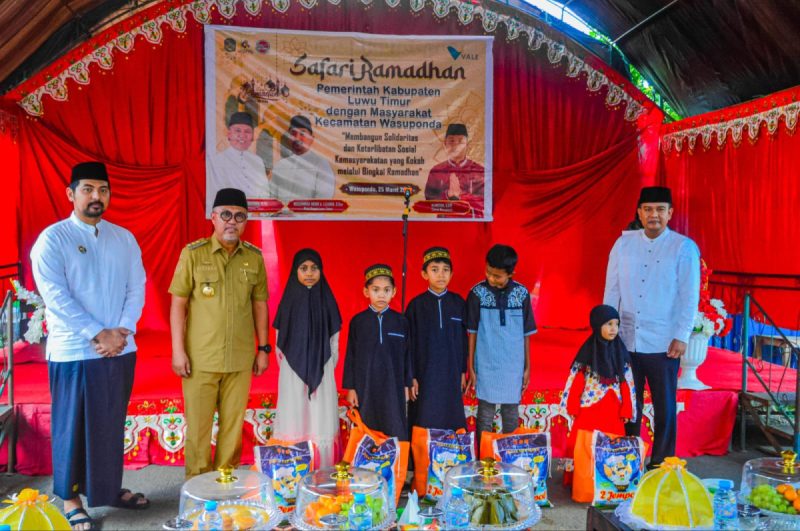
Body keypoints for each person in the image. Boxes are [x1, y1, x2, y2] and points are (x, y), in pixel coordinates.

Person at [30, 161, 148, 530]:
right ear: (71, 193)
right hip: (74, 351)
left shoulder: (123, 237)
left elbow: (137, 287)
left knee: (110, 424)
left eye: (103, 190)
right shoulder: (53, 239)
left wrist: (123, 331)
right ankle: (69, 497)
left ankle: (108, 490)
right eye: (88, 189)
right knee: (72, 425)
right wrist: (99, 333)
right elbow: (57, 298)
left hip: (119, 349)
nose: (97, 197)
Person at [169, 187, 270, 478]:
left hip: (239, 358)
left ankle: (225, 483)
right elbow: (178, 304)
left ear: (245, 221)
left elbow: (260, 305)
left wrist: (263, 348)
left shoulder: (254, 258)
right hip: (201, 358)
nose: (232, 221)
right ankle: (198, 488)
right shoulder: (193, 255)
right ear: (213, 218)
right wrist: (178, 350)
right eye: (225, 214)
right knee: (199, 428)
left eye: (239, 216)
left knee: (232, 427)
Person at [603, 185, 700, 468]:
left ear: (670, 213)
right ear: (639, 213)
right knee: (629, 402)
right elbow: (612, 290)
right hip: (627, 338)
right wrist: (607, 329)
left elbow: (689, 296)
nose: (653, 215)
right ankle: (630, 456)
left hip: (663, 341)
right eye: (647, 209)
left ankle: (661, 462)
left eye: (660, 209)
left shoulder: (683, 247)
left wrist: (682, 336)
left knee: (664, 404)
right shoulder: (623, 244)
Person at [272, 249, 342, 467]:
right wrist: (294, 368)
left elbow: (334, 341)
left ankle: (322, 468)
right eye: (304, 268)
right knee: (295, 415)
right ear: (296, 271)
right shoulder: (289, 300)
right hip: (293, 372)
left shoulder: (326, 300)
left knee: (321, 416)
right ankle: (292, 470)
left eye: (314, 268)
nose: (309, 273)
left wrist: (325, 367)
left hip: (323, 369)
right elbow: (279, 343)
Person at [466, 244, 535, 446]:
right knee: (485, 415)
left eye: (497, 276)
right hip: (486, 363)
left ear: (511, 273)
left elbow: (526, 333)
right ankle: (483, 457)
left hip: (513, 365)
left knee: (510, 414)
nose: (491, 278)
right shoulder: (476, 294)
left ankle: (508, 456)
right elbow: (472, 332)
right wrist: (471, 365)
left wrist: (527, 367)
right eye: (488, 272)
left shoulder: (522, 294)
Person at [560, 304, 636, 484]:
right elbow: (577, 381)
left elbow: (626, 383)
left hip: (612, 410)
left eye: (616, 324)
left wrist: (626, 409)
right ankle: (576, 478)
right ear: (597, 325)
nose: (613, 329)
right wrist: (572, 406)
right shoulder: (588, 351)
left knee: (611, 443)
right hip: (589, 408)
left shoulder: (620, 352)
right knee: (581, 443)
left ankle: (609, 480)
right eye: (609, 324)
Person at [342, 264, 414, 439]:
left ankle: (396, 464)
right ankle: (367, 464)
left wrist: (407, 384)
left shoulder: (401, 322)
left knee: (394, 423)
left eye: (386, 290)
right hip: (365, 385)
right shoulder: (358, 322)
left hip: (393, 386)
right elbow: (350, 356)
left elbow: (407, 355)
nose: (381, 294)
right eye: (376, 290)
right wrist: (351, 388)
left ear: (394, 292)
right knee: (366, 426)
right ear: (366, 292)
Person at [405, 247, 467, 430]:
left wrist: (463, 371)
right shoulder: (416, 306)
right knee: (424, 417)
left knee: (452, 416)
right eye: (434, 270)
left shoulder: (458, 303)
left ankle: (453, 456)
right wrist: (411, 377)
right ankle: (422, 458)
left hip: (451, 372)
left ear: (452, 273)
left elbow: (463, 341)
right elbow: (408, 345)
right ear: (424, 274)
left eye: (445, 270)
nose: (441, 275)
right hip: (425, 374)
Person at [208, 112, 270, 213]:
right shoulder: (217, 160)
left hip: (255, 214)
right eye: (237, 131)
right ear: (229, 134)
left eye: (247, 131)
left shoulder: (257, 161)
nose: (242, 135)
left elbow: (265, 192)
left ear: (252, 136)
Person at [423, 123, 485, 218]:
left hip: (473, 225)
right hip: (444, 225)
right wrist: (447, 195)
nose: (455, 145)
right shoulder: (436, 171)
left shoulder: (479, 171)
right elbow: (430, 203)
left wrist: (461, 196)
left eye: (460, 141)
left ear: (467, 145)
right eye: (451, 141)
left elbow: (486, 203)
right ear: (445, 144)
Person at [270, 115, 336, 204]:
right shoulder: (280, 165)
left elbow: (323, 201)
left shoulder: (320, 164)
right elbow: (272, 198)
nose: (297, 138)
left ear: (312, 138)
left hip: (308, 217)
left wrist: (302, 216)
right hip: (281, 217)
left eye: (302, 134)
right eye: (293, 133)